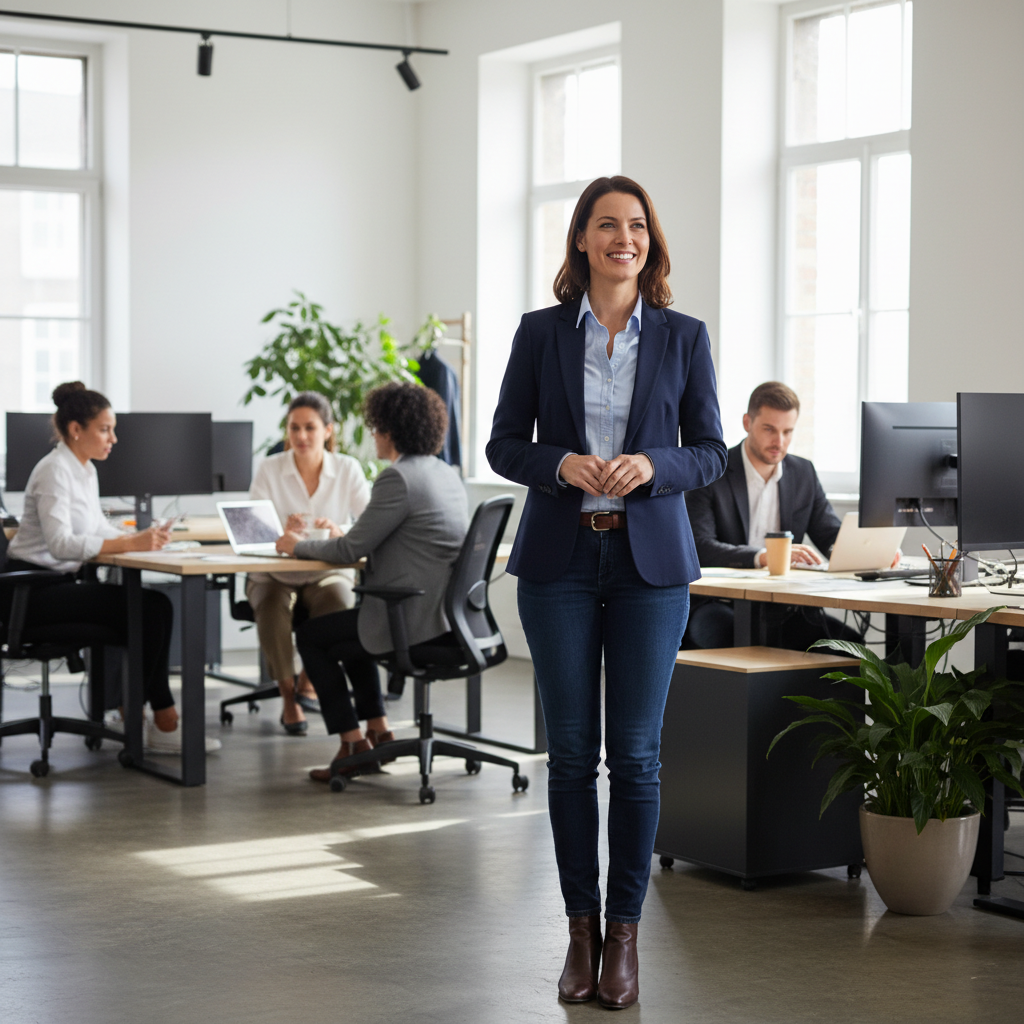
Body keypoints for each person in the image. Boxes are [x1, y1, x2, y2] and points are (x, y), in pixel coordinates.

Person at [486, 176, 728, 1009]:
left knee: (635, 756)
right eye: (606, 224)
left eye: (636, 226)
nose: (622, 237)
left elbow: (711, 451)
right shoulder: (540, 332)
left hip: (649, 566)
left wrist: (656, 466)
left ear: (649, 242)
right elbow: (502, 443)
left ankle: (624, 936)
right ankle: (578, 931)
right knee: (569, 760)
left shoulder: (684, 337)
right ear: (582, 240)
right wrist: (559, 463)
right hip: (557, 562)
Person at [4, 382, 220, 754]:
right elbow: (61, 543)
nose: (114, 439)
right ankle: (154, 717)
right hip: (32, 594)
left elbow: (94, 529)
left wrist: (136, 535)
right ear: (76, 429)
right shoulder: (55, 471)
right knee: (151, 610)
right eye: (105, 429)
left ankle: (136, 714)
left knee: (152, 609)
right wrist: (127, 544)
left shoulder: (83, 469)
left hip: (58, 585)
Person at [275, 382, 468, 780]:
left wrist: (297, 545)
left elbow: (348, 550)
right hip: (450, 619)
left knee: (313, 636)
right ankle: (377, 731)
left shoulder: (397, 479)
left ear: (391, 432)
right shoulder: (443, 473)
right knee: (352, 633)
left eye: (377, 428)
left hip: (414, 620)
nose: (374, 436)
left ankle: (351, 743)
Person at [683, 381, 874, 650]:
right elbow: (699, 546)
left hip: (785, 607)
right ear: (747, 422)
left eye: (787, 431)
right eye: (769, 429)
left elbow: (828, 533)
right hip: (719, 603)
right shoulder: (713, 472)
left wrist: (870, 552)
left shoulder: (803, 473)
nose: (779, 442)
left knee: (849, 645)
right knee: (726, 635)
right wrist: (763, 557)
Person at [247, 392, 370, 734]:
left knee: (340, 600)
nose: (301, 436)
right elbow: (253, 528)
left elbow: (370, 523)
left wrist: (338, 529)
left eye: (310, 428)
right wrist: (278, 532)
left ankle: (307, 680)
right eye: (294, 428)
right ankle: (289, 700)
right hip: (274, 572)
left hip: (325, 571)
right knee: (270, 606)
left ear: (328, 430)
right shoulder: (270, 468)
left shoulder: (347, 468)